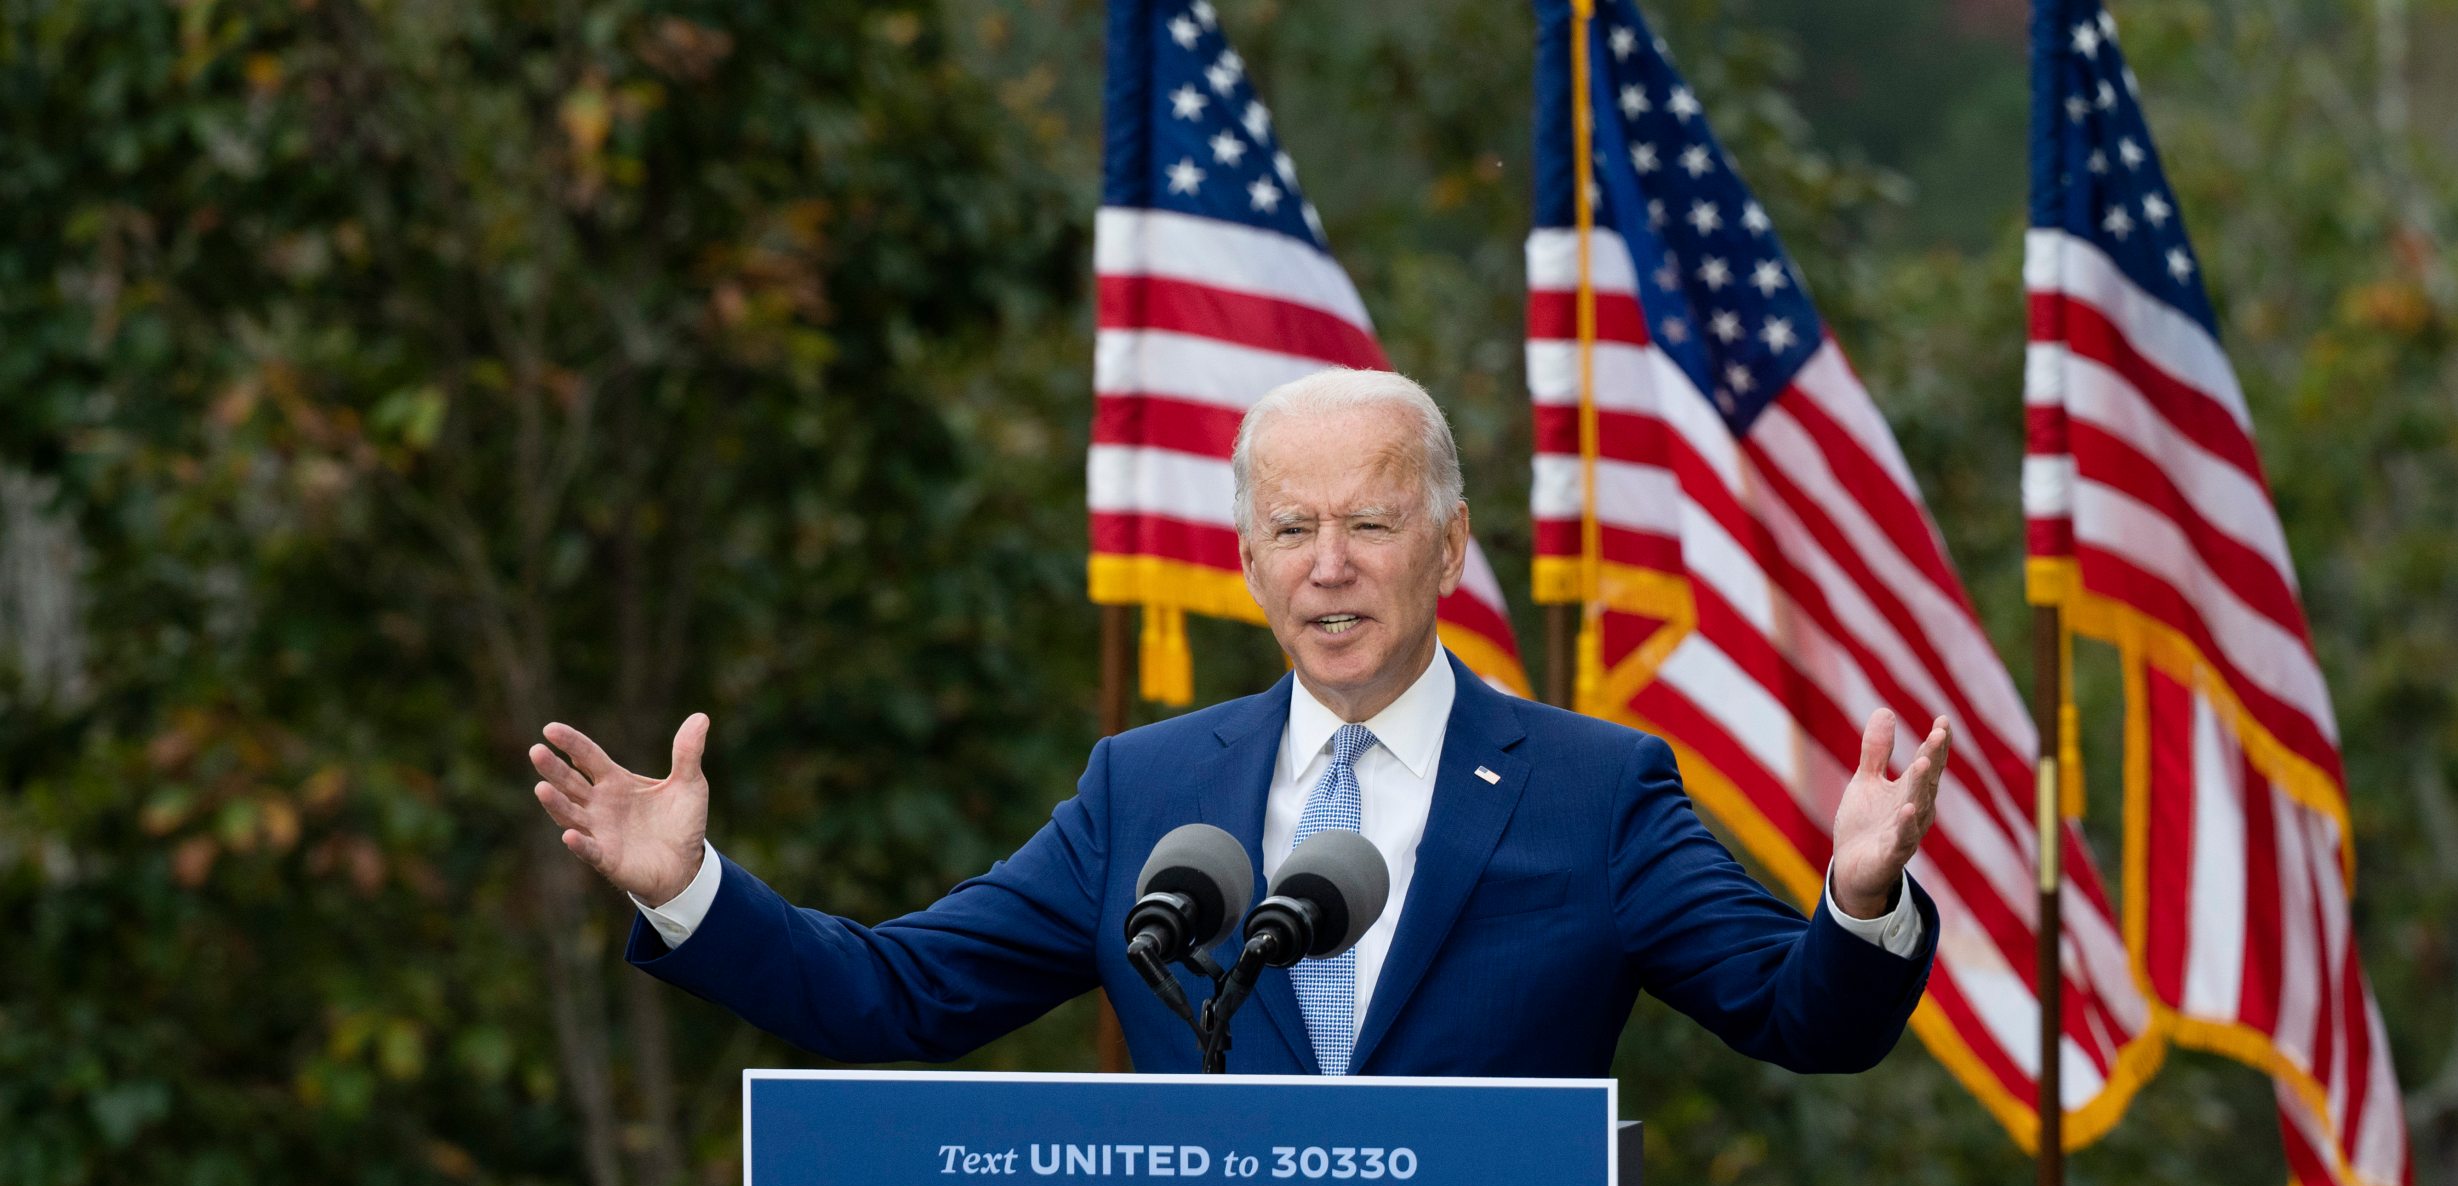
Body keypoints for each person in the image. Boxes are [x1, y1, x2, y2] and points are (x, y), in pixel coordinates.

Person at [528, 369, 1951, 1076]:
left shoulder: (1595, 791)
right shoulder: (1143, 790)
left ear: (1450, 552)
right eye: (1293, 528)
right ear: (1249, 560)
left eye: (1371, 524)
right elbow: (894, 1001)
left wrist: (1864, 893)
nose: (1329, 564)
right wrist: (690, 893)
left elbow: (1804, 1017)